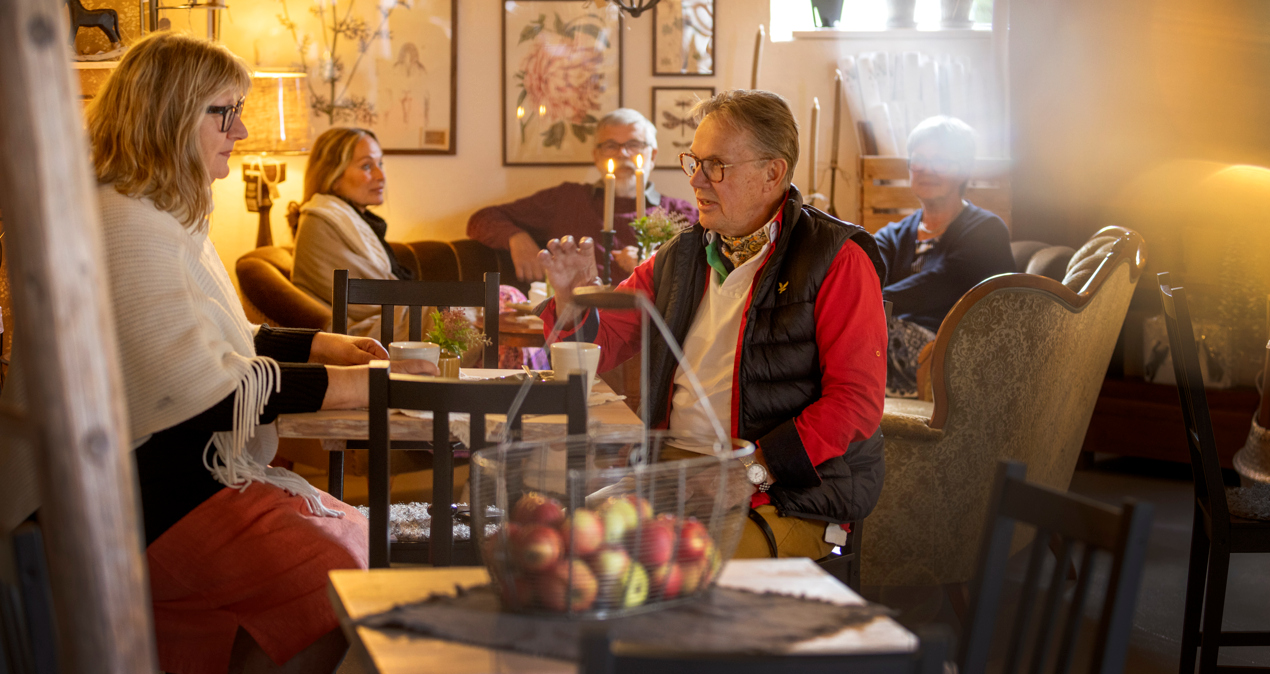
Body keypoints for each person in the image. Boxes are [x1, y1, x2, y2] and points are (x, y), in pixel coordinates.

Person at [85, 33, 435, 674]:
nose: (240, 131)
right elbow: (198, 387)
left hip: (186, 472)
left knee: (355, 541)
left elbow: (218, 338)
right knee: (339, 571)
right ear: (169, 113)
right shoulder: (127, 224)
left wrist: (318, 345)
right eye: (224, 112)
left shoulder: (159, 212)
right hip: (146, 496)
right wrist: (350, 387)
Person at [538, 90, 887, 560]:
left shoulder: (836, 259)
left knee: (679, 568)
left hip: (787, 493)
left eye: (716, 165)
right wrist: (574, 304)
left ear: (773, 173)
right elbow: (603, 346)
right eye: (694, 162)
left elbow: (856, 402)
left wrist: (753, 470)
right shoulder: (679, 257)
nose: (696, 180)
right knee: (564, 546)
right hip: (672, 474)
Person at [467, 108, 698, 284]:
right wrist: (516, 238)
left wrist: (653, 263)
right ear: (596, 156)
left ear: (653, 156)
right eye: (610, 146)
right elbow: (482, 219)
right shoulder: (566, 199)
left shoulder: (679, 214)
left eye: (634, 144)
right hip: (577, 324)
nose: (623, 154)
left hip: (650, 325)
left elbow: (702, 270)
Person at [876, 116, 1015, 396]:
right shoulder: (893, 235)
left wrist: (867, 305)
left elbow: (941, 283)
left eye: (940, 161)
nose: (927, 170)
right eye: (919, 160)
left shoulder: (986, 231)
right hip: (888, 346)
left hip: (960, 358)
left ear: (963, 170)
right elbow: (861, 276)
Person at [289, 127, 411, 340]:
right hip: (359, 338)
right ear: (333, 176)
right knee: (459, 319)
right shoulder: (319, 224)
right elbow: (368, 302)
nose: (381, 176)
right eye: (367, 166)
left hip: (384, 324)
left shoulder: (361, 221)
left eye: (380, 164)